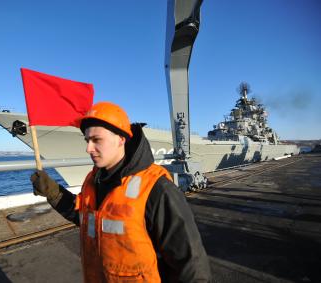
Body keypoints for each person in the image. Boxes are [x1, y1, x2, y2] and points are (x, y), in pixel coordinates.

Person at [31, 102, 211, 282]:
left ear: (121, 139)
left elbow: (191, 265)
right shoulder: (92, 181)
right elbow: (84, 217)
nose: (88, 148)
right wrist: (53, 192)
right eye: (87, 140)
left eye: (97, 140)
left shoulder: (157, 188)